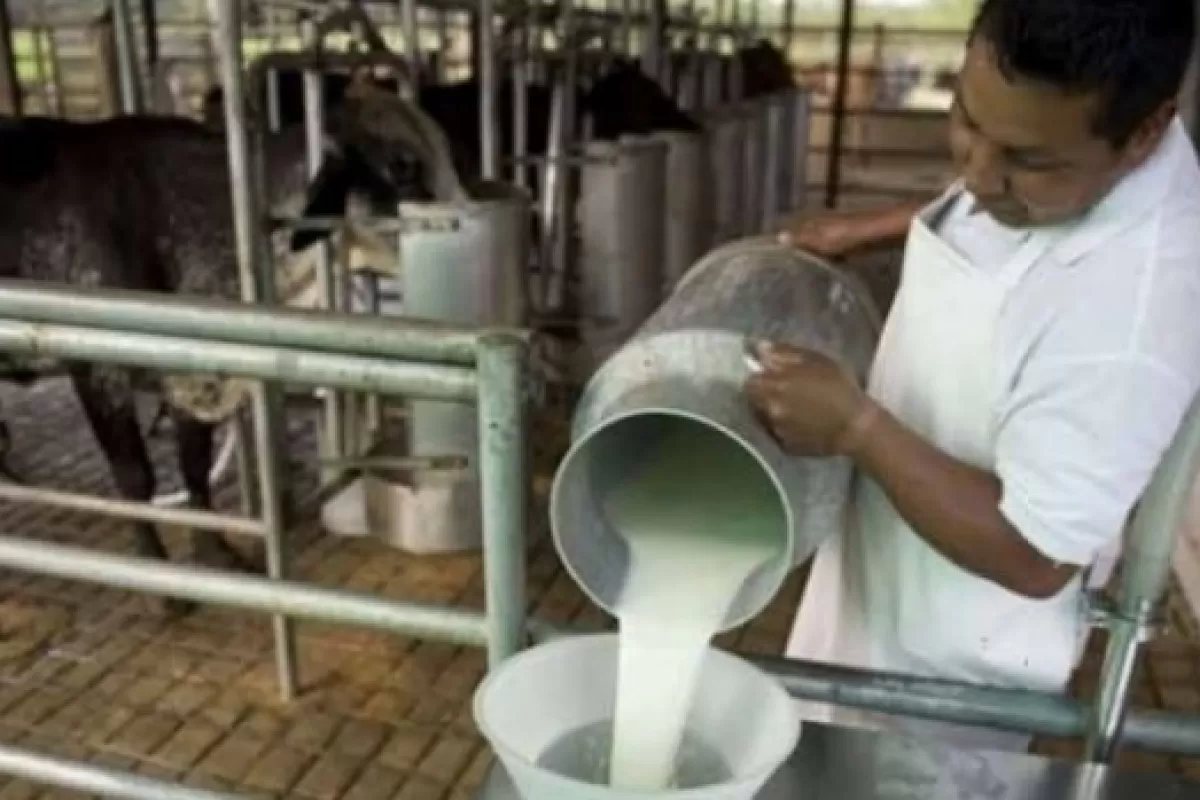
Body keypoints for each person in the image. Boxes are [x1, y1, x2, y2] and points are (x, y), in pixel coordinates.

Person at [746, 0, 1200, 752]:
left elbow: (1035, 554)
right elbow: (991, 192)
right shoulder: (1065, 160)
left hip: (939, 681)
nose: (978, 176)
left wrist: (857, 426)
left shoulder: (1128, 315)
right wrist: (872, 228)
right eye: (965, 117)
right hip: (880, 588)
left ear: (1144, 132)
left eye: (1026, 160)